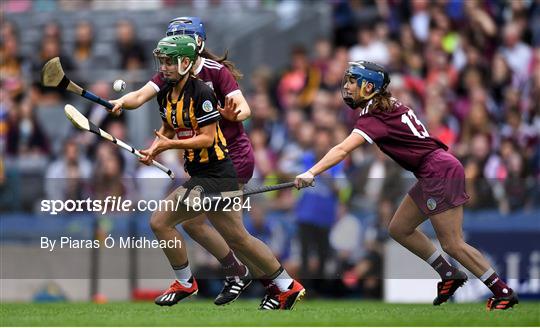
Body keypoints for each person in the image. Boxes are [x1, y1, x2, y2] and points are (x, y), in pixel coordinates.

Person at [294, 61, 518, 310]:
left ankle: (503, 291)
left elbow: (342, 149)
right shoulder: (385, 106)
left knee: (453, 243)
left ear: (369, 87)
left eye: (352, 81)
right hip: (433, 169)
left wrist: (311, 172)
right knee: (399, 228)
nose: (346, 86)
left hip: (437, 171)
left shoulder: (374, 116)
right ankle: (449, 274)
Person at [110, 35, 305, 310]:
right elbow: (168, 126)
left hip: (215, 175)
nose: (163, 67)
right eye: (162, 61)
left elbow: (207, 138)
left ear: (186, 62)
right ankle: (287, 285)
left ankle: (185, 282)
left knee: (160, 221)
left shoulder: (201, 92)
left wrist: (170, 145)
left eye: (169, 62)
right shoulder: (166, 91)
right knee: (238, 238)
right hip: (203, 172)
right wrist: (155, 149)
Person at [111, 16, 256, 306]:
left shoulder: (214, 73)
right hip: (206, 162)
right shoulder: (171, 73)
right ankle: (243, 275)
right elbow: (140, 96)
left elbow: (245, 109)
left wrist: (231, 115)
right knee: (193, 223)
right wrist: (120, 102)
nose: (166, 60)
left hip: (230, 158)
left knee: (234, 235)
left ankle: (273, 281)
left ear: (196, 45)